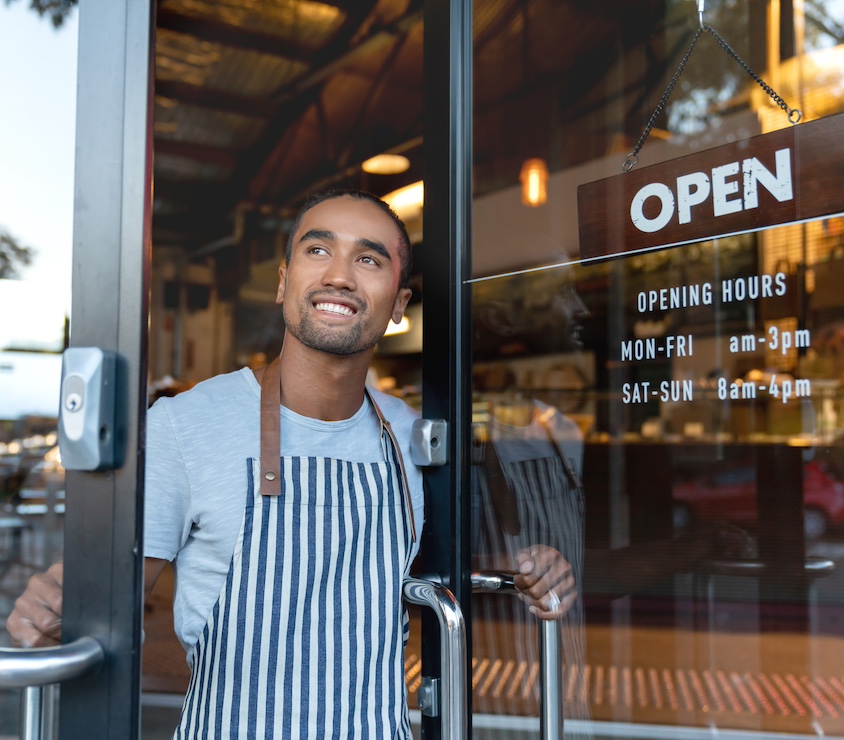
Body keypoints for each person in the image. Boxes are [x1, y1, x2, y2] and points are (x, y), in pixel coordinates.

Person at [6, 190, 576, 738]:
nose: (339, 275)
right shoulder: (186, 425)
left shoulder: (413, 435)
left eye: (369, 259)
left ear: (399, 306)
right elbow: (116, 587)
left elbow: (445, 568)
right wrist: (57, 602)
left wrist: (533, 572)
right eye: (318, 249)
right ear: (284, 283)